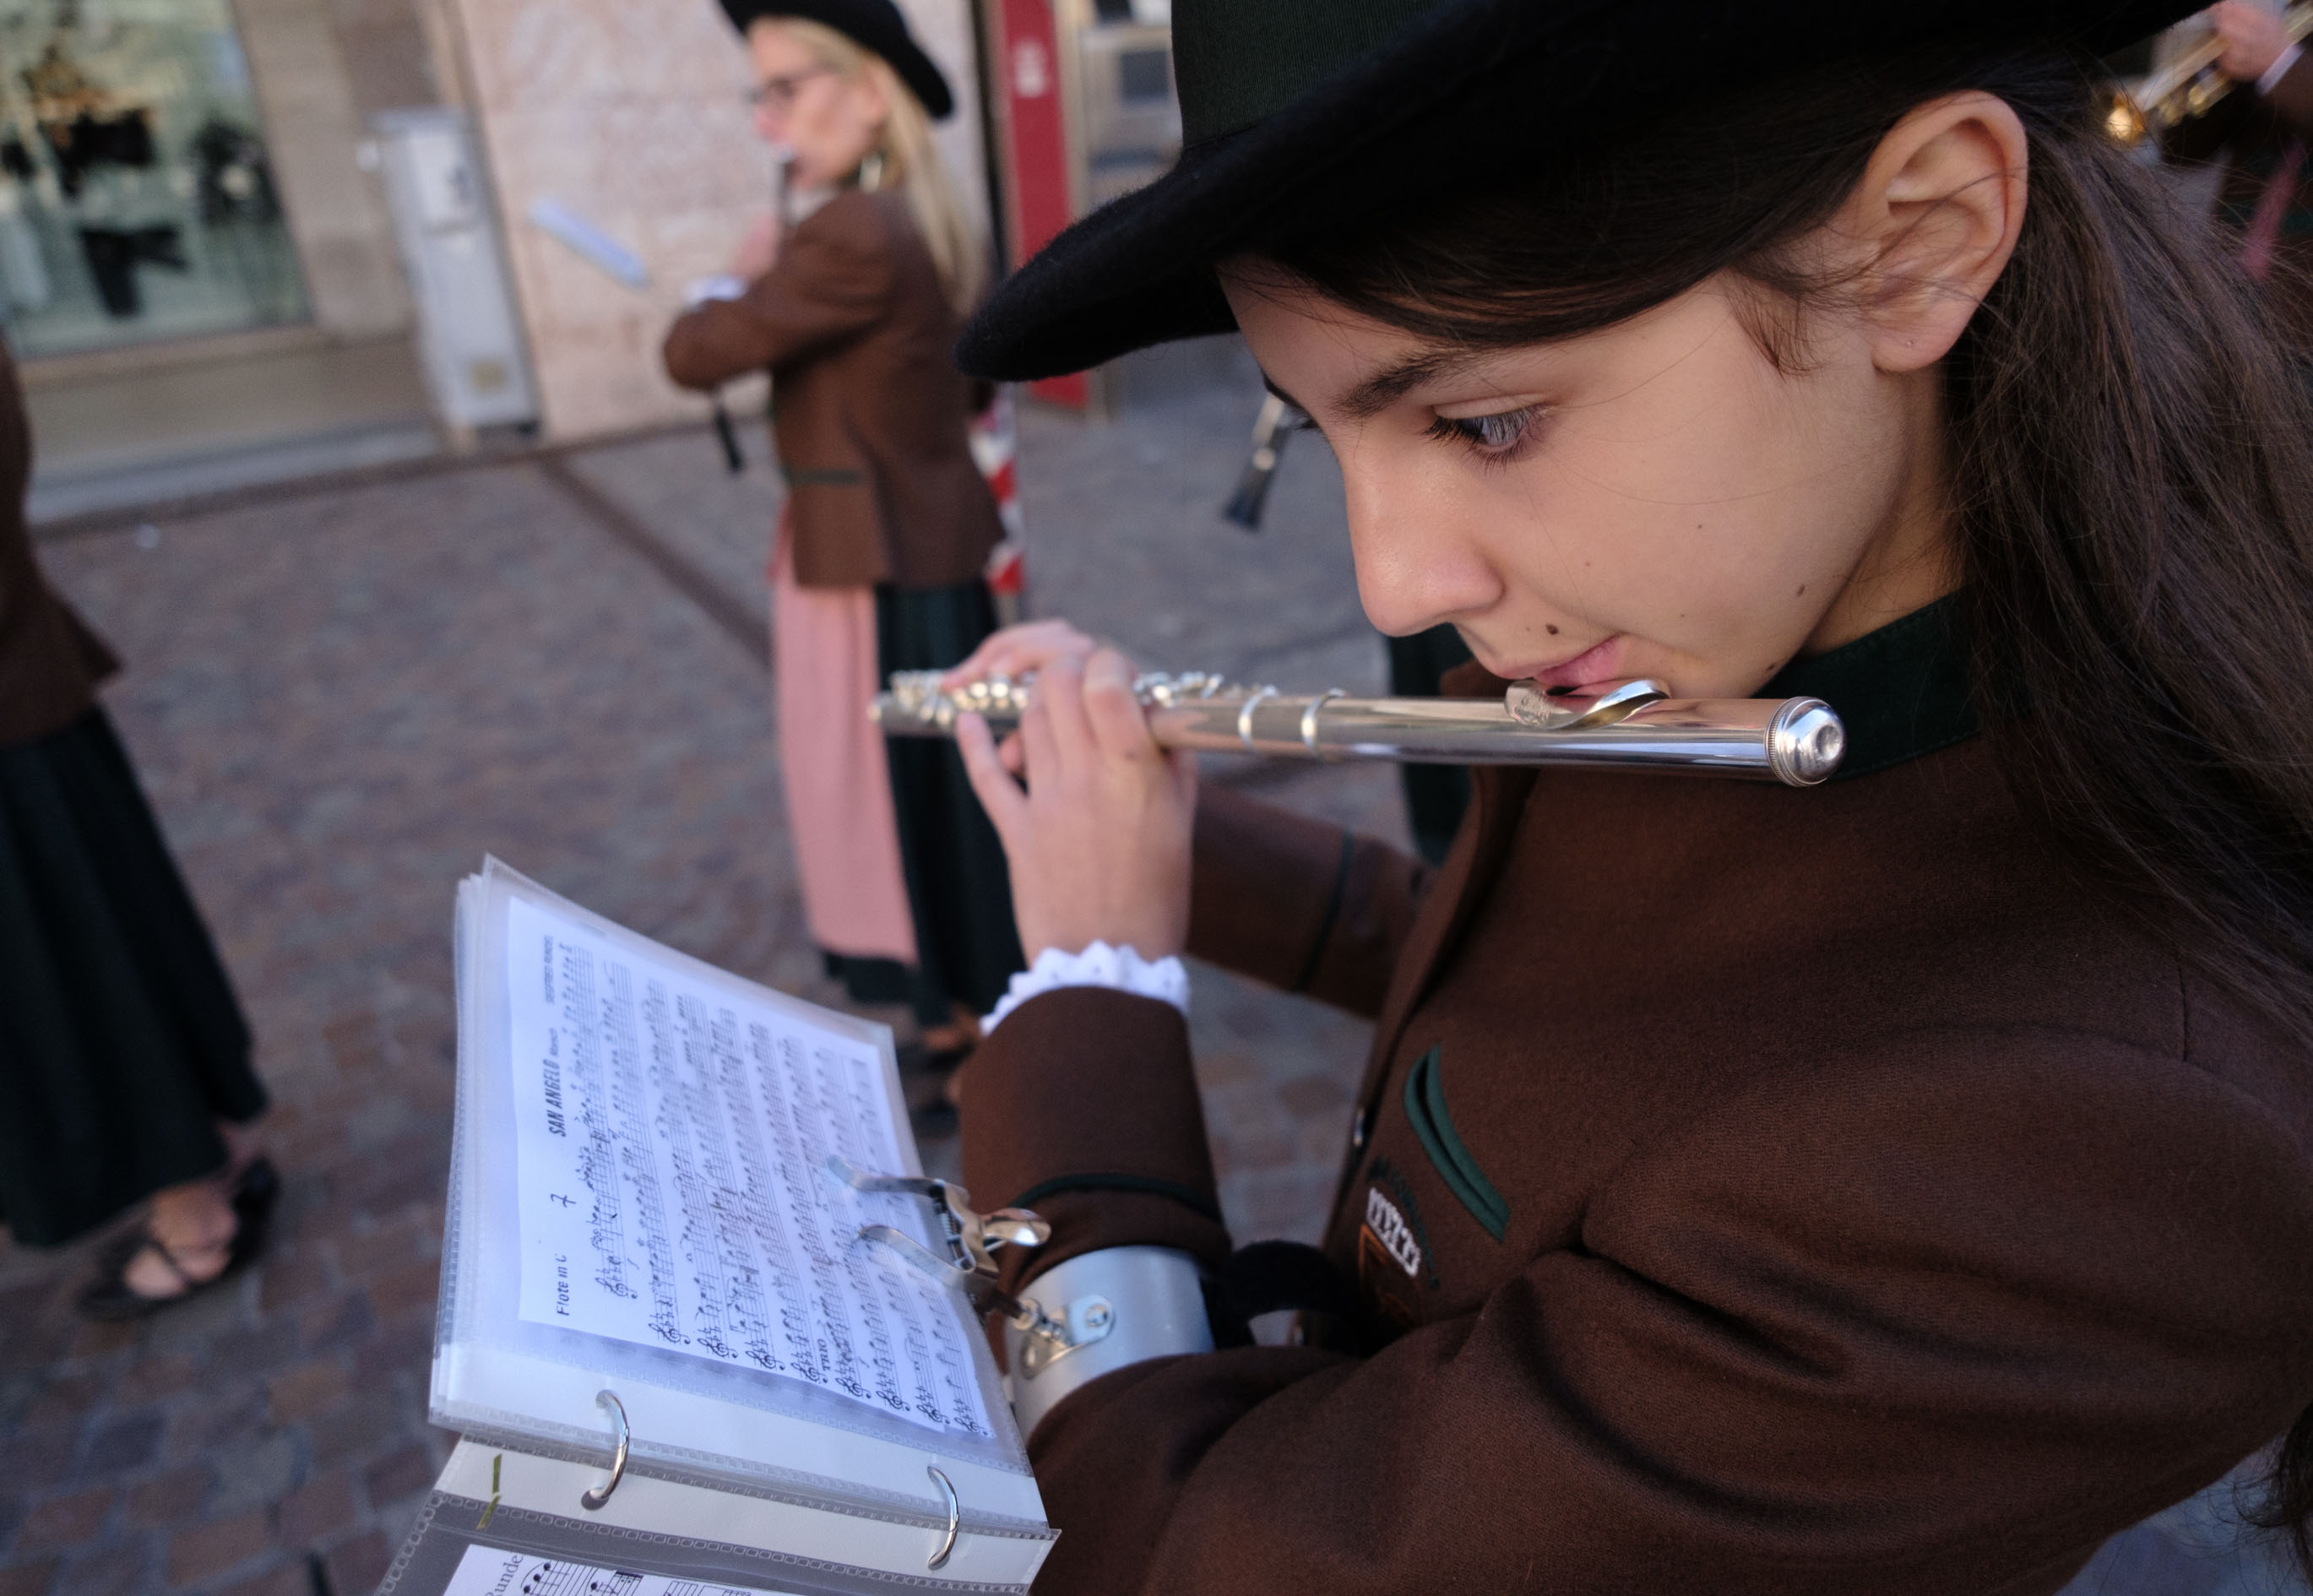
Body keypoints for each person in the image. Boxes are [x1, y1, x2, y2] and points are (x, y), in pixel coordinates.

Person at [927, 1, 2313, 1591]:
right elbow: (1565, 993)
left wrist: (1092, 990)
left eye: (1483, 422)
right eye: (1323, 437)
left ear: (1919, 243)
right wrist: (1167, 841)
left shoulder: (2088, 1147)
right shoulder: (1748, 644)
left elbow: (1153, 1553)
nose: (1396, 587)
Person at [664, 0, 1022, 1078]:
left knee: (899, 805)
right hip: (924, 550)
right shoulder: (928, 217)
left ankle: (969, 1028)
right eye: (760, 94)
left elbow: (693, 355)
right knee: (942, 800)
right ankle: (966, 1017)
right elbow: (970, 386)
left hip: (872, 564)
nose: (766, 121)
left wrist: (732, 282)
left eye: (785, 90)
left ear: (869, 94)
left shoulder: (850, 232)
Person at [0, 285, 274, 1318]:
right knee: (110, 959)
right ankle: (209, 1160)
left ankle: (194, 1217)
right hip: (10, 700)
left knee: (68, 988)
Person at [2161, 2, 2313, 339]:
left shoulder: (2284, 44)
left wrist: (2281, 63)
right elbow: (2182, 150)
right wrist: (2217, 55)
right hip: (2225, 298)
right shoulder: (2296, 19)